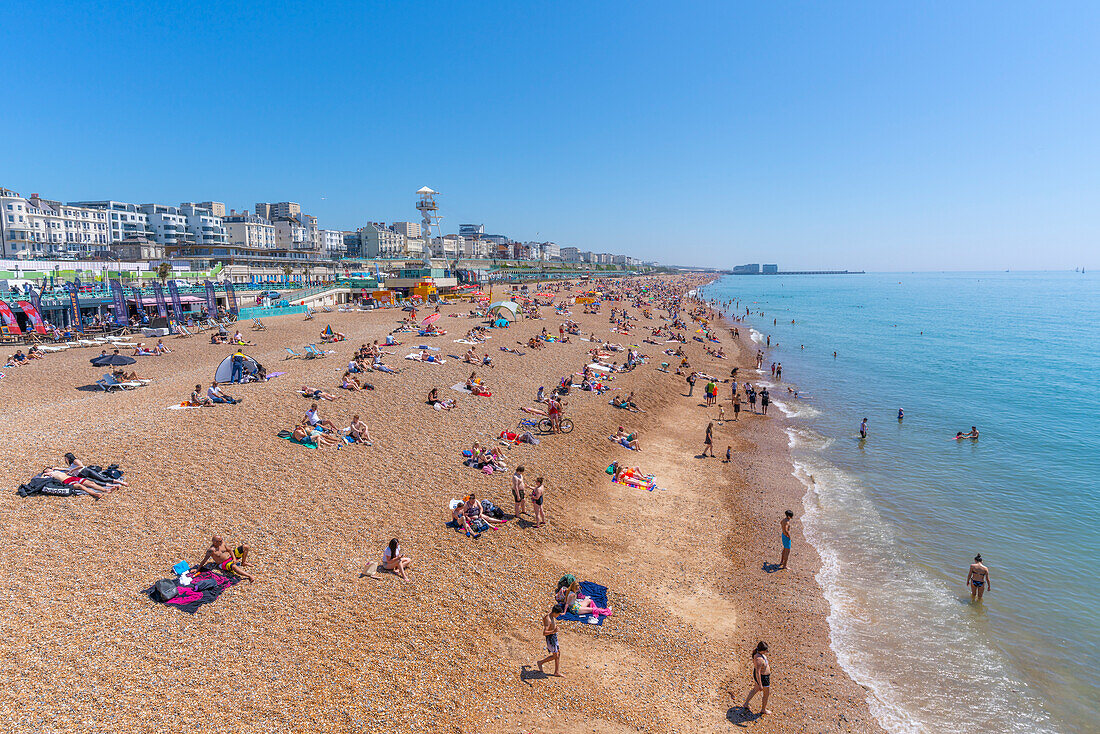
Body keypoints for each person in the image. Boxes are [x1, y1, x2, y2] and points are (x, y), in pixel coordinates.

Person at [739, 641, 772, 715]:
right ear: (761, 650)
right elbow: (758, 673)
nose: (766, 651)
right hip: (763, 678)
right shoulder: (759, 659)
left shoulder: (758, 653)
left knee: (755, 690)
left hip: (762, 676)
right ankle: (763, 709)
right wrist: (760, 684)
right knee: (766, 694)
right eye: (765, 650)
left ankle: (746, 703)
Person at [536, 604, 563, 676]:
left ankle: (556, 672)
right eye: (558, 614)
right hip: (550, 639)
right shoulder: (548, 619)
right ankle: (540, 662)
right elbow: (544, 633)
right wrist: (553, 631)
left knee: (558, 653)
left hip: (554, 637)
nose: (558, 616)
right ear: (555, 612)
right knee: (555, 656)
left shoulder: (551, 616)